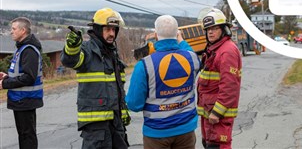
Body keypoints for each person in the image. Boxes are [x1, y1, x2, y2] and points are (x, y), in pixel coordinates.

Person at [126, 15, 200, 149]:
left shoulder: (144, 65)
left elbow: (134, 104)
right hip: (186, 130)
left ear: (155, 34)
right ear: (177, 33)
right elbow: (189, 51)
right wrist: (181, 40)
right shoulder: (192, 58)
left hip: (156, 134)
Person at [61, 8, 130, 149]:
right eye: (108, 29)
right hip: (95, 128)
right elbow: (71, 60)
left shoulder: (112, 53)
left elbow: (118, 89)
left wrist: (123, 110)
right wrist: (72, 47)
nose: (112, 34)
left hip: (116, 123)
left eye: (114, 30)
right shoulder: (87, 50)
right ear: (98, 29)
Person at [197, 9, 242, 149]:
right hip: (209, 113)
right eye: (208, 29)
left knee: (218, 146)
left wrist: (217, 112)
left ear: (224, 30)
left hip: (217, 115)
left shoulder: (226, 51)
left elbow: (230, 86)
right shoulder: (214, 49)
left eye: (215, 28)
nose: (210, 32)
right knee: (209, 144)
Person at [0, 17, 43, 149]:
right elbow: (21, 74)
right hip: (20, 100)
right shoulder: (22, 48)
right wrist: (7, 77)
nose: (11, 32)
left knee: (27, 136)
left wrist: (4, 84)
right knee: (24, 136)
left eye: (13, 29)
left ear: (23, 30)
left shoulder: (29, 50)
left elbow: (29, 77)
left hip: (25, 100)